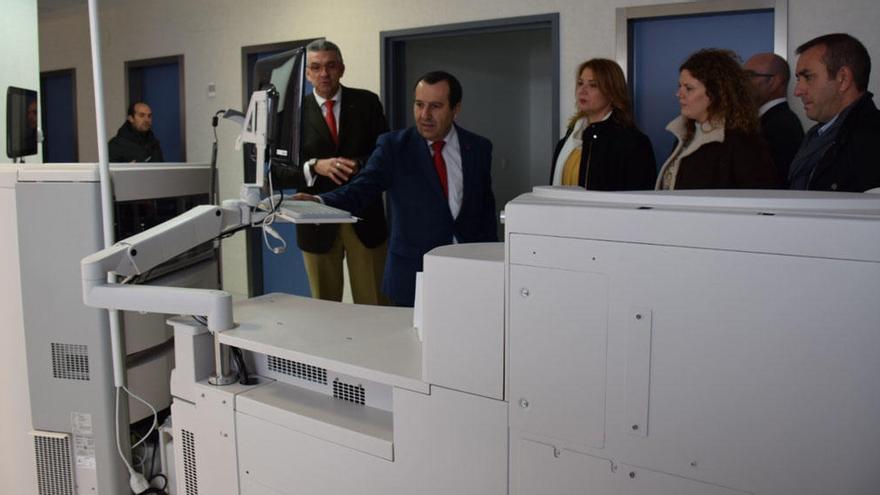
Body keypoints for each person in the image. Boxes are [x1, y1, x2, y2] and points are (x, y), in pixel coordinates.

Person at [295, 71, 497, 307]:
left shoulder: (479, 148)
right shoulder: (394, 147)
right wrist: (320, 202)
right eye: (419, 104)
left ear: (456, 109)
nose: (425, 115)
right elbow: (361, 189)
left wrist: (492, 262)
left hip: (467, 269)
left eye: (436, 106)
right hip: (412, 272)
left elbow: (485, 210)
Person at [272, 40, 389, 305]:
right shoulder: (291, 114)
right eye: (316, 67)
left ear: (342, 69)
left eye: (331, 66)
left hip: (364, 218)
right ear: (307, 74)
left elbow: (384, 156)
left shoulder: (367, 103)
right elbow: (277, 172)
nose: (324, 73)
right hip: (315, 224)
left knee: (375, 304)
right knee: (324, 307)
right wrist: (313, 166)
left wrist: (357, 164)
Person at [657, 48, 779, 190]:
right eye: (680, 86)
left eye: (688, 88)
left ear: (716, 92)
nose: (679, 94)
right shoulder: (685, 135)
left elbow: (759, 198)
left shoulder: (743, 142)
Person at [789, 33, 880, 192]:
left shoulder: (871, 138)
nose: (798, 91)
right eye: (798, 79)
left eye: (808, 77)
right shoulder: (819, 135)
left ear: (843, 79)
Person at [550, 58, 655, 190]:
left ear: (612, 92)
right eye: (580, 83)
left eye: (593, 85)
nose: (582, 90)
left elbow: (639, 201)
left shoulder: (633, 143)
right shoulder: (567, 141)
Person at [743, 52, 805, 186]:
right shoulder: (773, 121)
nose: (742, 83)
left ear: (775, 82)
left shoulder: (781, 127)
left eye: (749, 75)